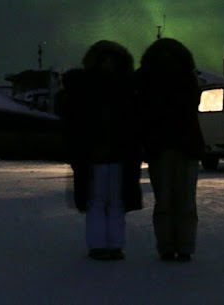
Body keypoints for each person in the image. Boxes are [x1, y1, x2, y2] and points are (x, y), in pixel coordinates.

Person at [61, 40, 142, 261]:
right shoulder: (122, 88)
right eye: (105, 60)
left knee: (112, 201)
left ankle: (113, 245)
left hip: (115, 156)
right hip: (97, 156)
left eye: (111, 61)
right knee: (99, 201)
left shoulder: (114, 88)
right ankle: (101, 245)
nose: (108, 65)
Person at [136, 37, 205, 262]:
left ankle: (167, 247)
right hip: (185, 145)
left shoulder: (145, 79)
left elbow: (143, 113)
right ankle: (184, 246)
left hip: (160, 145)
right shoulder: (189, 78)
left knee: (165, 200)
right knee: (184, 199)